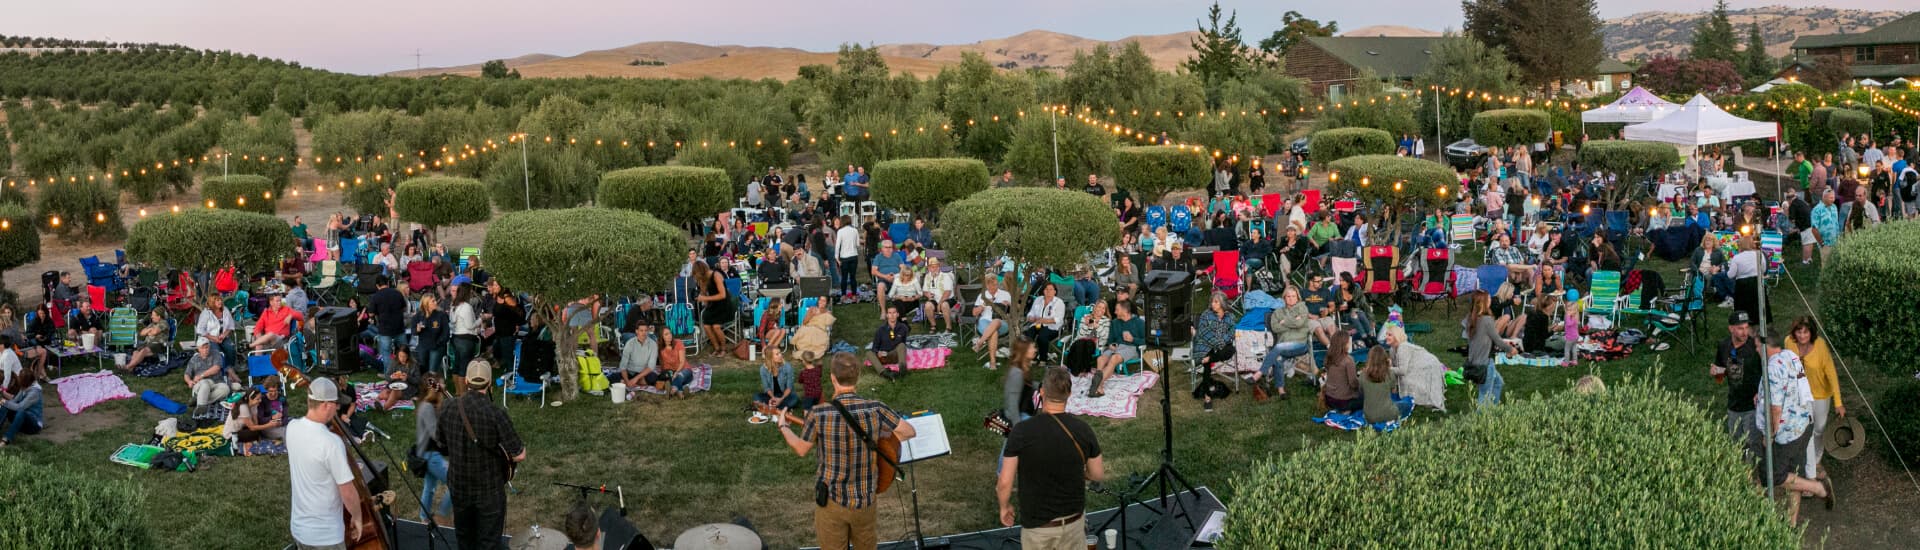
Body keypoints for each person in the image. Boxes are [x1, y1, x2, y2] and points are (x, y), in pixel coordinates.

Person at [776, 352, 917, 550]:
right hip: (866, 499)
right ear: (858, 376)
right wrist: (881, 438)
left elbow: (801, 449)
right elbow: (908, 431)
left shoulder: (819, 413)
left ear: (832, 378)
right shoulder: (876, 408)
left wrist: (784, 427)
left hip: (832, 500)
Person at [997, 366, 1105, 549]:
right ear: (1069, 394)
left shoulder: (1022, 431)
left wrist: (1004, 507)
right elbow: (1097, 474)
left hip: (1038, 529)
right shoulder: (1083, 430)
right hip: (1074, 524)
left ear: (1042, 392)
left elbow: (1004, 482)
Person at [438, 360, 527, 550]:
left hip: (459, 487)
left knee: (465, 539)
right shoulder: (495, 413)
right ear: (488, 384)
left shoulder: (447, 407)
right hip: (489, 491)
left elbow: (441, 445)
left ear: (467, 381)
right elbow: (519, 454)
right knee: (489, 543)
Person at [1757, 328, 1834, 521]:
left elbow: (1776, 408)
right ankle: (1791, 523)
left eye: (1758, 346)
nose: (1756, 350)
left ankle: (1818, 488)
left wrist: (1770, 434)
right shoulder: (1790, 355)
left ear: (1766, 346)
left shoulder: (1773, 368)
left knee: (1771, 476)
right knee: (1793, 473)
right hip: (1804, 424)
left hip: (1787, 432)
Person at [286, 377, 363, 549]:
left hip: (299, 529)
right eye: (336, 404)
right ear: (326, 405)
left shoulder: (291, 428)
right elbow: (348, 492)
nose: (337, 408)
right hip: (325, 536)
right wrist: (357, 517)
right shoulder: (331, 443)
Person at [1788, 317, 1842, 481]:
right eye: (1799, 332)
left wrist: (1838, 402)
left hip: (1820, 395)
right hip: (1800, 395)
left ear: (1811, 333)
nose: (1802, 336)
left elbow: (1831, 373)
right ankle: (1812, 464)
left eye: (1806, 332)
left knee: (1819, 428)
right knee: (1807, 430)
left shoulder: (1820, 346)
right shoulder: (1788, 343)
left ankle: (1817, 456)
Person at [1712, 310, 1764, 450]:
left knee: (1753, 444)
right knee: (1736, 443)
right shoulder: (1724, 345)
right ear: (1731, 328)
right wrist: (1717, 373)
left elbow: (1767, 373)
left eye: (1747, 327)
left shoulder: (1756, 347)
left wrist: (1761, 393)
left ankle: (1754, 470)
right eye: (1740, 328)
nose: (1745, 332)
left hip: (1753, 406)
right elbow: (1720, 374)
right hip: (1734, 404)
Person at [1258, 286, 1316, 400]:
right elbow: (1275, 328)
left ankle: (1260, 373)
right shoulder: (1277, 313)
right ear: (1284, 298)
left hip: (1300, 344)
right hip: (1283, 346)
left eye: (1293, 296)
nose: (1291, 299)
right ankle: (1281, 390)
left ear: (1297, 297)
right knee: (1278, 358)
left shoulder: (1302, 308)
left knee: (1278, 348)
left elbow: (1299, 325)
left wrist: (1284, 322)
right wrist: (1294, 321)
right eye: (1288, 296)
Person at [1465, 291, 1520, 405]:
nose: (1491, 300)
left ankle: (1493, 410)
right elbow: (1497, 340)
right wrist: (1510, 350)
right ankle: (1482, 417)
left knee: (1498, 383)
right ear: (1482, 303)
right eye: (1488, 299)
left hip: (1473, 361)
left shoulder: (1471, 319)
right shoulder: (1486, 320)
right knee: (1484, 395)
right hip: (1485, 364)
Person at [1190, 291, 1238, 412]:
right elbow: (1203, 332)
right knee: (1206, 365)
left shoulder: (1230, 316)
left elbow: (1232, 331)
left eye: (1216, 302)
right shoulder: (1206, 314)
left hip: (1223, 346)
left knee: (1231, 349)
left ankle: (1209, 359)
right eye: (1212, 301)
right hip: (1207, 344)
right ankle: (1207, 397)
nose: (1213, 304)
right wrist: (1219, 343)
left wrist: (1223, 341)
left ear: (1222, 303)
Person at [1381, 324, 1447, 412]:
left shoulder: (1402, 347)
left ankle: (1420, 396)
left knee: (1407, 380)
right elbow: (1394, 368)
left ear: (1396, 336)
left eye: (1389, 335)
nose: (1386, 337)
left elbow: (1402, 371)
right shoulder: (1392, 349)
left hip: (1428, 365)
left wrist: (1385, 369)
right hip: (1414, 365)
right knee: (1402, 379)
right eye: (1386, 334)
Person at [1090, 301, 1144, 398]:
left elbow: (1146, 341)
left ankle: (1097, 383)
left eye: (1117, 310)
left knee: (1114, 358)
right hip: (1116, 347)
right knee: (1100, 359)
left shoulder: (1139, 323)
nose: (1115, 312)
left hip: (1131, 348)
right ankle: (1099, 386)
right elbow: (1111, 339)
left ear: (1125, 311)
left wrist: (1133, 339)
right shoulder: (1115, 322)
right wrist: (1111, 345)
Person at [0, 335, 45, 446]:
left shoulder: (34, 392)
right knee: (7, 405)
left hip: (33, 426)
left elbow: (20, 407)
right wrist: (3, 396)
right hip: (22, 422)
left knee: (21, 411)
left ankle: (6, 439)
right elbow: (15, 401)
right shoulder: (25, 388)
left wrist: (4, 401)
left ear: (26, 382)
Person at [691, 260, 734, 357]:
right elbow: (704, 293)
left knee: (716, 326)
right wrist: (702, 298)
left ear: (701, 271)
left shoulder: (716, 275)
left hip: (724, 305)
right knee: (706, 326)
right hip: (713, 305)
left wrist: (705, 298)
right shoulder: (702, 279)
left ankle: (723, 348)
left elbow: (723, 295)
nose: (696, 277)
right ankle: (716, 348)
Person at [971, 275, 1015, 368]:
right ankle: (993, 363)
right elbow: (974, 313)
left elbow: (1014, 311)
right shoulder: (982, 296)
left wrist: (1009, 305)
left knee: (996, 321)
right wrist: (983, 305)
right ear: (986, 285)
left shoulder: (1005, 294)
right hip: (985, 321)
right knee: (993, 332)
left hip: (1002, 322)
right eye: (990, 285)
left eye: (995, 284)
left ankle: (980, 342)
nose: (992, 287)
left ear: (997, 283)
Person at [368, 276, 408, 374]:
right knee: (404, 351)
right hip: (399, 327)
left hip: (385, 330)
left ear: (377, 286)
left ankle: (389, 376)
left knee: (386, 353)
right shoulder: (397, 293)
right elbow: (404, 308)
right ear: (388, 283)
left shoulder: (375, 297)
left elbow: (371, 314)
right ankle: (406, 372)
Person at [1023, 282, 1068, 366]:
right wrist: (1030, 317)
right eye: (1046, 289)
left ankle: (1043, 359)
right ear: (1043, 291)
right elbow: (1031, 313)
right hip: (1037, 324)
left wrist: (1045, 320)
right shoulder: (1038, 300)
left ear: (1055, 291)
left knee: (1042, 336)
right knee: (1028, 334)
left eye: (1051, 289)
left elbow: (1059, 319)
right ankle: (1033, 357)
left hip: (1053, 327)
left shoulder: (1059, 302)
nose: (1048, 291)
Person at [184, 338, 235, 408]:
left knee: (226, 389)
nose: (205, 350)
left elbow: (216, 368)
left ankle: (199, 399)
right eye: (202, 348)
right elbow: (187, 374)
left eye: (207, 347)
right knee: (206, 384)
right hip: (201, 384)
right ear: (198, 349)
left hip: (216, 383)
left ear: (209, 346)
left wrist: (201, 375)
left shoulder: (216, 354)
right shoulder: (194, 359)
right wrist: (189, 381)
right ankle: (201, 407)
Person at [645, 326, 694, 398]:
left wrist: (677, 372)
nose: (669, 336)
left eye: (670, 333)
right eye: (666, 334)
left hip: (683, 370)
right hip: (669, 372)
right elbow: (649, 349)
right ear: (662, 337)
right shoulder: (659, 345)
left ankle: (673, 391)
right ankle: (679, 391)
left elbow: (682, 361)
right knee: (666, 377)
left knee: (679, 376)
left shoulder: (678, 343)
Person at [864, 306, 911, 380]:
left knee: (902, 345)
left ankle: (902, 369)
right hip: (883, 357)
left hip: (895, 355)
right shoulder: (880, 330)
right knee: (869, 353)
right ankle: (884, 373)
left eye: (894, 313)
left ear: (898, 314)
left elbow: (903, 345)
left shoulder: (903, 328)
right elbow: (874, 347)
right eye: (889, 313)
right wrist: (878, 352)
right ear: (887, 315)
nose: (892, 315)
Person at [611, 320, 658, 393]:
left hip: (643, 373)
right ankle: (637, 382)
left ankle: (633, 381)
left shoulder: (653, 344)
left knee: (654, 378)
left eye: (646, 330)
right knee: (612, 377)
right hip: (630, 372)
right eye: (641, 330)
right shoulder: (630, 343)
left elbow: (651, 366)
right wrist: (627, 381)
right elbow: (623, 366)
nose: (644, 333)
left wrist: (636, 378)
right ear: (636, 331)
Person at [1318, 331, 1360, 411]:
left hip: (1329, 399)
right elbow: (1353, 384)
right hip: (1343, 401)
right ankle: (1346, 410)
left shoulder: (1328, 357)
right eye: (1348, 342)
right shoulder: (1348, 360)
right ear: (1344, 344)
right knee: (1368, 395)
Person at [1358, 346, 1399, 424]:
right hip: (1389, 414)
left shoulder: (1363, 375)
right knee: (1404, 404)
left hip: (1369, 417)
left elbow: (1360, 391)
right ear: (1385, 359)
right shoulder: (1390, 373)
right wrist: (1389, 367)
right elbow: (1394, 392)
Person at [448, 284, 482, 374]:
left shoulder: (453, 305)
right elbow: (470, 326)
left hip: (456, 337)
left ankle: (458, 388)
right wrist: (481, 319)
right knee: (464, 368)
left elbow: (451, 323)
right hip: (466, 339)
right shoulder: (466, 307)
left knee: (457, 365)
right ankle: (463, 388)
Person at [196, 294, 236, 368]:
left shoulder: (225, 310)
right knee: (216, 352)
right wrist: (214, 338)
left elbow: (231, 326)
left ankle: (230, 368)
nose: (220, 302)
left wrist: (223, 335)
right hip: (209, 338)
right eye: (217, 300)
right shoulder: (206, 313)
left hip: (223, 337)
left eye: (220, 300)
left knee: (230, 349)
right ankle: (220, 369)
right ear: (212, 302)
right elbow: (200, 329)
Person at [921, 258, 957, 332]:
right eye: (932, 267)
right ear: (929, 268)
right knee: (927, 305)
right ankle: (933, 325)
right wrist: (927, 294)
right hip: (934, 299)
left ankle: (948, 327)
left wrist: (940, 303)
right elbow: (924, 291)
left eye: (937, 266)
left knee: (944, 305)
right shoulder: (927, 277)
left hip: (948, 299)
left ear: (939, 267)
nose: (935, 269)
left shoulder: (946, 276)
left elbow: (948, 292)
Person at [835, 216, 862, 301]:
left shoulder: (840, 231)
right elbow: (858, 244)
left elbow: (837, 246)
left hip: (844, 257)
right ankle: (854, 295)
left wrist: (837, 258)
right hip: (854, 256)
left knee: (844, 277)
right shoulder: (855, 230)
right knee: (853, 277)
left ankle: (843, 295)